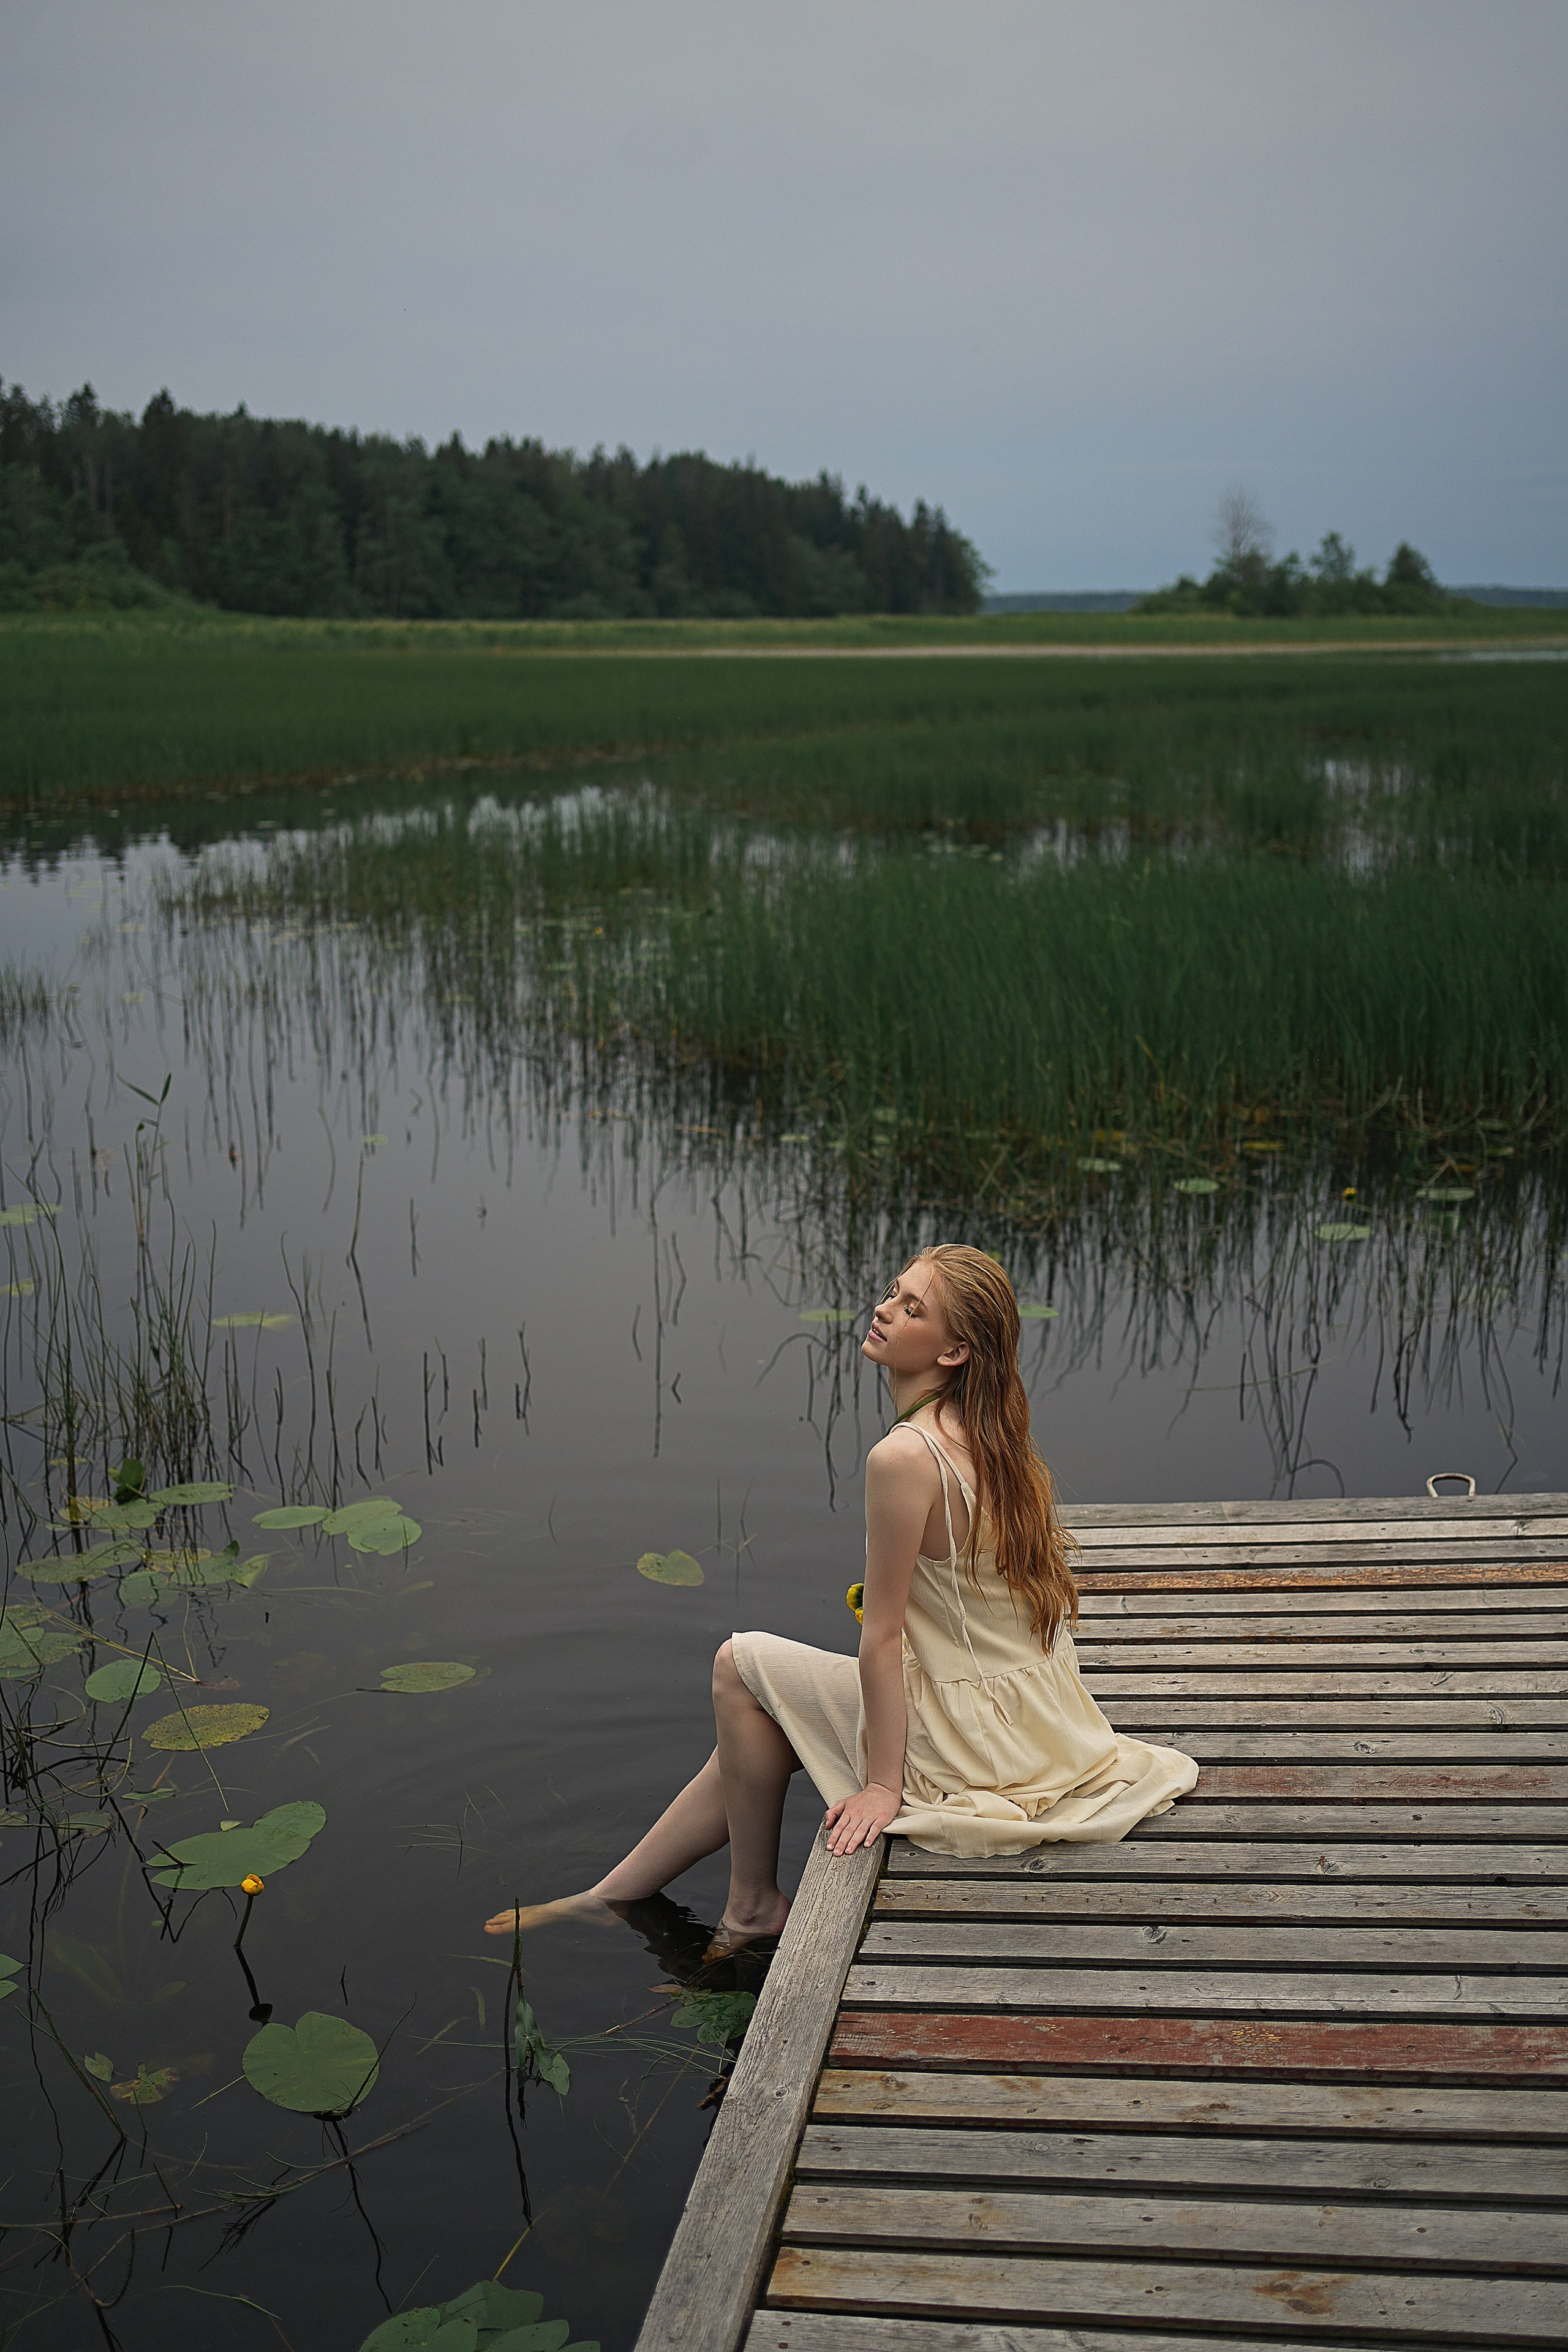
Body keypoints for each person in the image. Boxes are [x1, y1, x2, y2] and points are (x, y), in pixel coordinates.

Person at [484, 1244, 1197, 1950]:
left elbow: (881, 1635)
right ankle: (618, 1894)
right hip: (1044, 1730)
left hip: (972, 1749)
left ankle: (749, 1903)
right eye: (894, 1293)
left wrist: (884, 1787)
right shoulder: (995, 1433)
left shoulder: (904, 1457)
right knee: (766, 1712)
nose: (884, 1310)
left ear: (953, 1352)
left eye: (912, 1308)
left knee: (738, 1665)